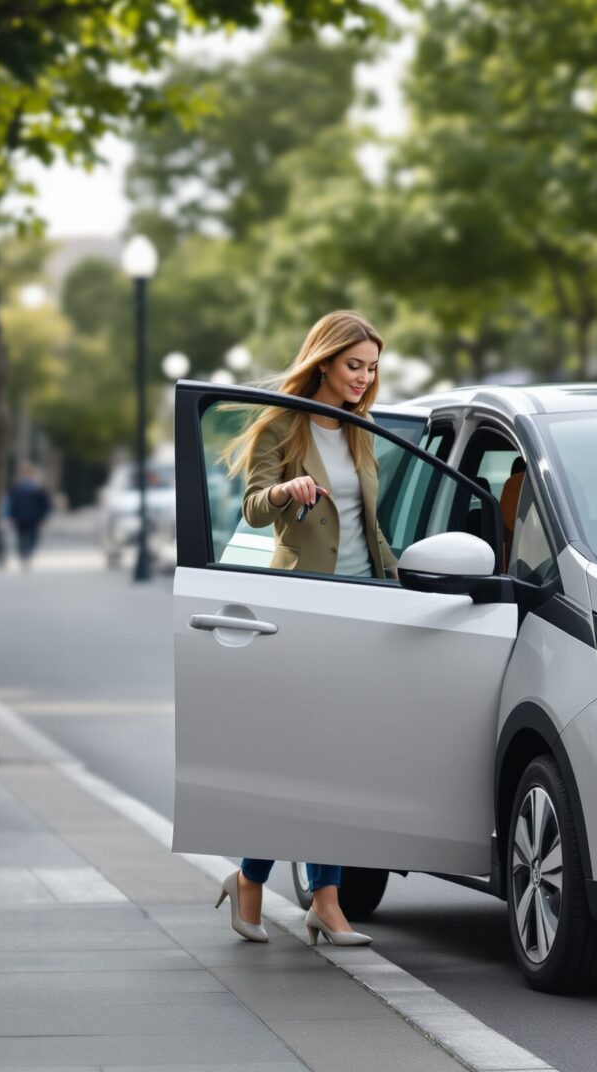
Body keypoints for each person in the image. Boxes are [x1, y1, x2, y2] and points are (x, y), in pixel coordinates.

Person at [209, 310, 396, 948]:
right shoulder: (284, 422)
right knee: (302, 756)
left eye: (371, 368)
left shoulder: (359, 427)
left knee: (338, 758)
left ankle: (306, 892)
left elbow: (368, 520)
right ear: (324, 361)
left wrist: (399, 584)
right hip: (303, 604)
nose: (364, 378)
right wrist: (288, 490)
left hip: (362, 603)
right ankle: (277, 887)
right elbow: (253, 508)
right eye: (354, 366)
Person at [5, 465, 52, 571]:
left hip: (32, 517)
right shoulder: (17, 487)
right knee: (24, 537)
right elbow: (11, 503)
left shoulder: (36, 488)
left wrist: (43, 516)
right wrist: (10, 515)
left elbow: (44, 504)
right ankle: (25, 556)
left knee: (31, 538)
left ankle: (27, 555)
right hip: (22, 517)